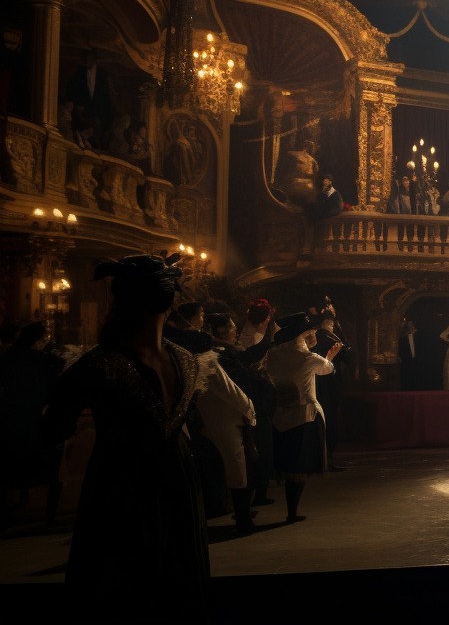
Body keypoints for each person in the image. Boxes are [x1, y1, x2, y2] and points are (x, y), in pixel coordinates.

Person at [42, 254, 211, 620]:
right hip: (178, 473)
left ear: (120, 302)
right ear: (171, 303)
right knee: (177, 572)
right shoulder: (188, 360)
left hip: (121, 477)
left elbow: (52, 429)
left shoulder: (99, 363)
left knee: (120, 577)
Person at [262, 312, 341, 523]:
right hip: (304, 416)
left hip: (280, 416)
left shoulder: (274, 354)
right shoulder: (309, 358)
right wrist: (329, 357)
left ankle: (291, 511)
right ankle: (292, 512)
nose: (313, 334)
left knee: (286, 464)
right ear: (301, 334)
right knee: (298, 468)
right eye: (310, 331)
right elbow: (327, 369)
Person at [191, 315, 257, 535]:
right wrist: (249, 409)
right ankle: (243, 520)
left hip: (207, 421)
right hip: (226, 421)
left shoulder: (189, 362)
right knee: (236, 470)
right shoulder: (209, 363)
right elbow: (231, 391)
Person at [209, 310, 276, 509]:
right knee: (249, 456)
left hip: (245, 407)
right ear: (221, 330)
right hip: (239, 410)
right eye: (231, 326)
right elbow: (247, 360)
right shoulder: (224, 352)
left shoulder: (228, 349)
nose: (235, 329)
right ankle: (244, 506)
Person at [0, 322, 65, 527]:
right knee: (55, 466)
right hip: (35, 421)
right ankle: (49, 517)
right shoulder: (42, 361)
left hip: (10, 421)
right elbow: (57, 374)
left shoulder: (7, 359)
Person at [311, 306, 353, 469]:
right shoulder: (330, 338)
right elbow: (349, 355)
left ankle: (320, 458)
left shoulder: (312, 337)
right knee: (329, 422)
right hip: (328, 386)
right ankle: (326, 459)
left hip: (315, 385)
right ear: (328, 324)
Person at [63, 49, 114, 138]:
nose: (88, 62)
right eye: (86, 60)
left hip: (99, 109)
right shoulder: (80, 72)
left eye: (90, 60)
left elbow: (105, 95)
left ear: (94, 60)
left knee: (99, 126)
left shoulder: (102, 74)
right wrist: (78, 104)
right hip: (84, 109)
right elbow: (72, 89)